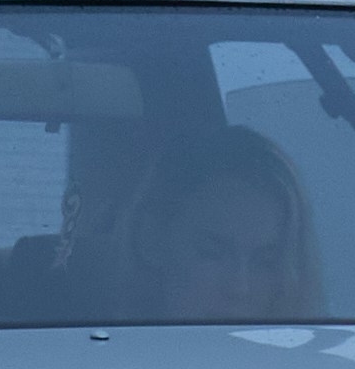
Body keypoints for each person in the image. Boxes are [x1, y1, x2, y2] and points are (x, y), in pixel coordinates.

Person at [120, 129, 323, 324]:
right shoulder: (98, 351)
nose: (240, 288)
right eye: (213, 253)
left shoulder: (313, 357)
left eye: (265, 262)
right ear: (152, 239)